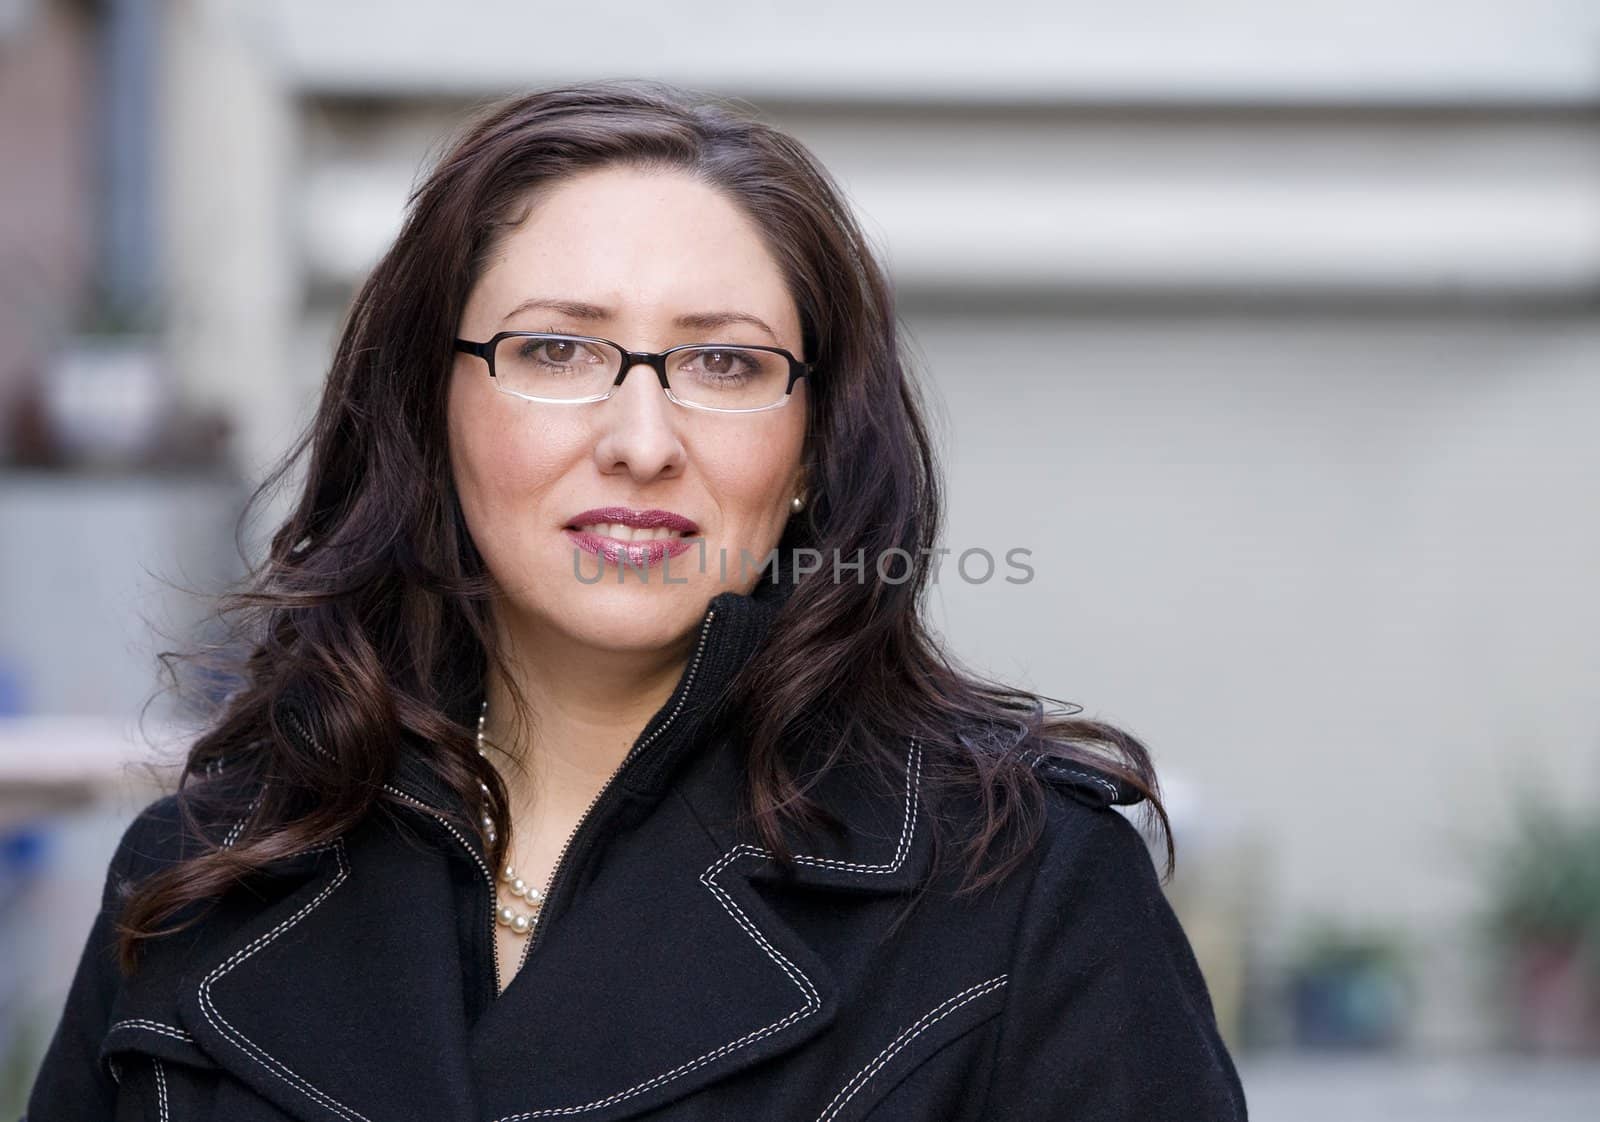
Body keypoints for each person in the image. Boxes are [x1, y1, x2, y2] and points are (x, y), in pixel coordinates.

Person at [24, 79, 1248, 1121]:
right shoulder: (204, 871)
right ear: (426, 404)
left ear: (815, 445)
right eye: (555, 350)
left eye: (725, 363)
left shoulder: (1024, 887)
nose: (641, 438)